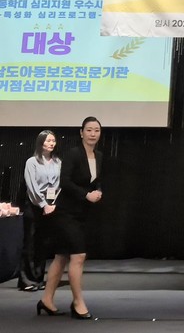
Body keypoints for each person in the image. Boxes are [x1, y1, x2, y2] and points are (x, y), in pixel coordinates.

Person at [38, 117, 103, 319]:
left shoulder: (99, 156)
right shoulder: (74, 154)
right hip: (65, 213)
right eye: (89, 130)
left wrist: (98, 191)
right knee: (78, 255)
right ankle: (78, 302)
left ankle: (46, 300)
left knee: (61, 256)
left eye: (96, 130)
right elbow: (64, 181)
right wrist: (86, 195)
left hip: (82, 214)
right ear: (81, 132)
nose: (93, 134)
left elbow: (96, 181)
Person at [18, 130, 61, 292]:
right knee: (30, 242)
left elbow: (58, 184)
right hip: (34, 205)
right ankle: (26, 280)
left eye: (53, 140)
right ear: (40, 142)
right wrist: (43, 204)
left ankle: (38, 278)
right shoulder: (32, 162)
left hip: (50, 206)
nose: (51, 143)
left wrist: (53, 203)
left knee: (43, 243)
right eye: (48, 140)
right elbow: (32, 186)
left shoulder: (57, 162)